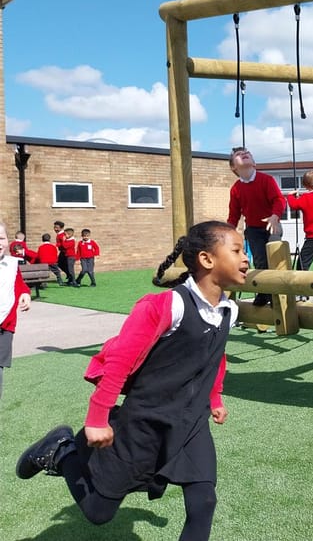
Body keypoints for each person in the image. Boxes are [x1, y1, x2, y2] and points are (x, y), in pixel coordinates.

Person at [16, 220, 246, 541]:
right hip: (144, 424)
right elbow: (121, 360)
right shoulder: (169, 305)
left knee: (204, 501)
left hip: (191, 423)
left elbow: (214, 354)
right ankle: (62, 450)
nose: (245, 257)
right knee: (98, 512)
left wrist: (215, 398)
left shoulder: (228, 310)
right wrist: (98, 417)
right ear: (207, 260)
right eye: (236, 250)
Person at [227, 146, 286, 306]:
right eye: (240, 155)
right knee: (260, 261)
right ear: (234, 167)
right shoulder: (236, 189)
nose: (244, 154)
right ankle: (264, 292)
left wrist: (275, 216)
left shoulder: (266, 180)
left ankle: (278, 295)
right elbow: (234, 213)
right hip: (253, 229)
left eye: (247, 153)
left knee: (275, 258)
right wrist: (228, 231)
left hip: (271, 225)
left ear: (254, 163)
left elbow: (279, 200)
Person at [0, 221, 32, 401]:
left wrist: (25, 293)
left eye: (1, 238)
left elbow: (18, 283)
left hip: (4, 326)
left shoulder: (12, 264)